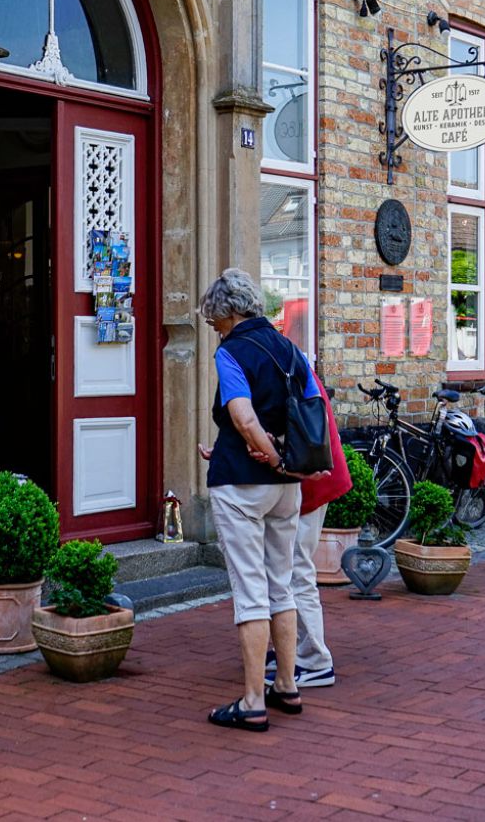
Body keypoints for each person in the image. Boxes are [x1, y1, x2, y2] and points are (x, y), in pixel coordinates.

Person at [196, 267, 323, 733]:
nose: (215, 327)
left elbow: (244, 419)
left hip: (242, 485)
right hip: (286, 487)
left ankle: (253, 699)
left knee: (250, 592)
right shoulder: (291, 349)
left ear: (229, 313)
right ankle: (287, 684)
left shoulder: (232, 352)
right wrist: (288, 464)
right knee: (281, 584)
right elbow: (312, 410)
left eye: (215, 320)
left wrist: (268, 457)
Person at [272, 365, 346, 691]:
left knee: (297, 571)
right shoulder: (289, 360)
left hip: (308, 483)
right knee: (291, 570)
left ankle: (315, 659)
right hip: (312, 479)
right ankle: (294, 648)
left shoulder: (278, 365)